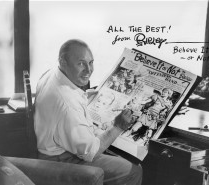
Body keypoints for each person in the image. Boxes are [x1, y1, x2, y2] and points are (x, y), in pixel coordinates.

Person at [34, 39, 142, 185]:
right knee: (133, 170)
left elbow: (65, 100)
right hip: (60, 161)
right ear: (63, 62)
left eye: (90, 62)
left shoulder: (51, 74)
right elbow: (91, 152)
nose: (88, 70)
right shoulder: (67, 105)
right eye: (80, 63)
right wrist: (118, 127)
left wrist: (83, 95)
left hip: (53, 146)